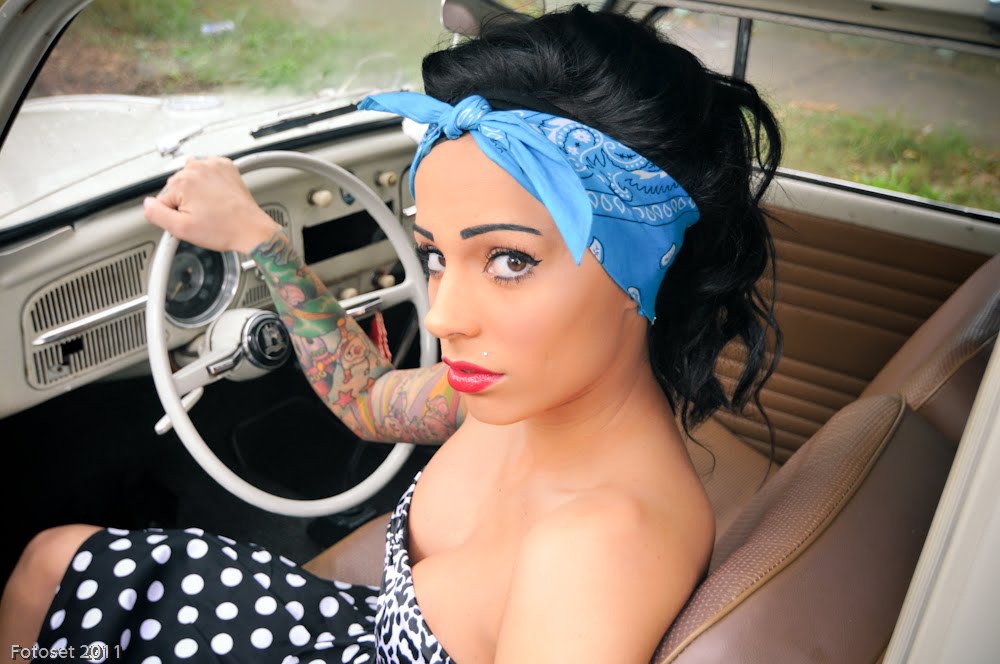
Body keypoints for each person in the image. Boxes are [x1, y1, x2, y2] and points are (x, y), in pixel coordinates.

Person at [0, 5, 781, 663]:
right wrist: (263, 242)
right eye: (437, 256)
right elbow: (370, 397)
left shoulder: (602, 547)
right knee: (53, 562)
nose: (440, 318)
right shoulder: (510, 396)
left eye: (510, 260)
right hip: (355, 628)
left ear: (647, 268)